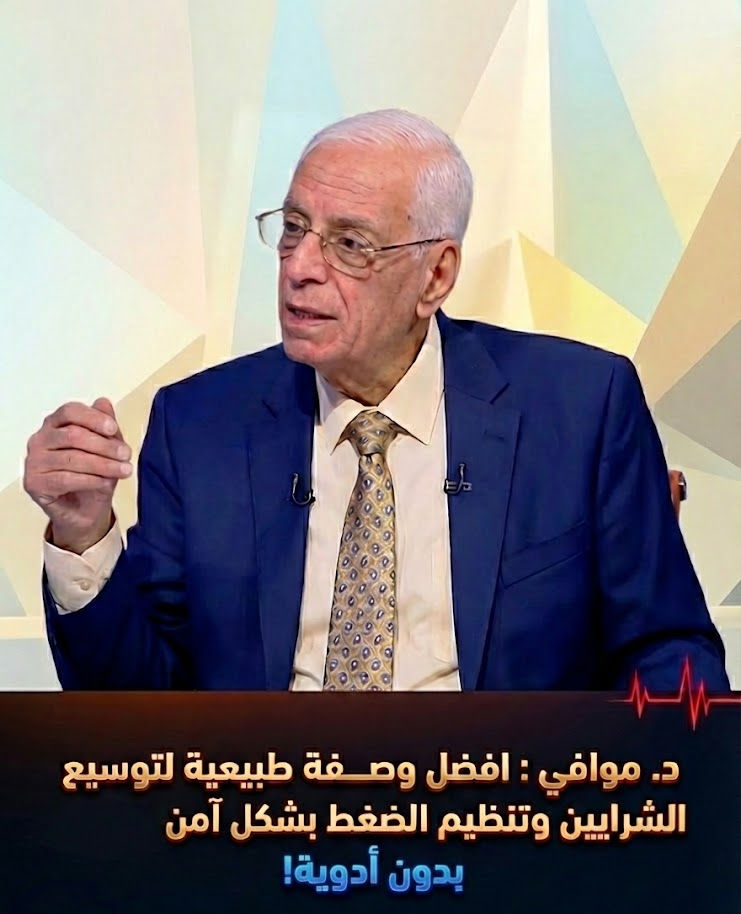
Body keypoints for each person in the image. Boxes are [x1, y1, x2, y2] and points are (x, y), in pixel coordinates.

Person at [24, 109, 729, 692]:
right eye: (293, 228)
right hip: (268, 802)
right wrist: (83, 535)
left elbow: (666, 646)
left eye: (350, 244)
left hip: (500, 798)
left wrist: (671, 784)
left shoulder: (579, 407)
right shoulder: (200, 424)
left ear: (435, 275)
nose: (300, 267)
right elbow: (139, 703)